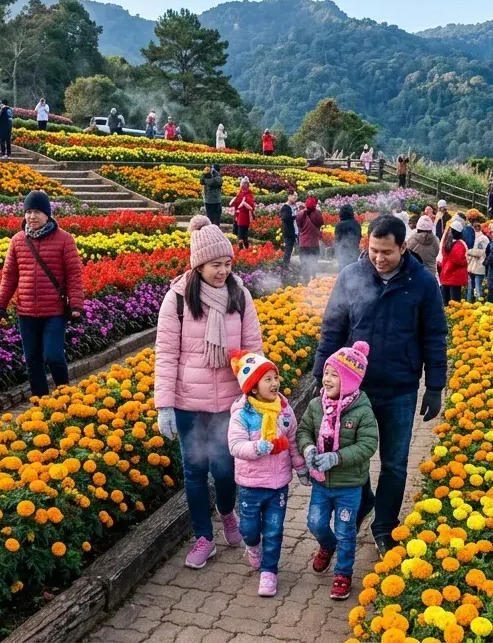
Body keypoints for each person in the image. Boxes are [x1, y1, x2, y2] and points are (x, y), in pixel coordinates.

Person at [313, 214, 447, 554]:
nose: (379, 258)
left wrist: (434, 385)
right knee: (355, 457)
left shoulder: (423, 283)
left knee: (395, 462)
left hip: (400, 388)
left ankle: (385, 526)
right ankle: (365, 499)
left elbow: (434, 335)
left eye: (387, 252)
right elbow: (332, 329)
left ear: (403, 247)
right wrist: (321, 376)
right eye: (373, 250)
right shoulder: (351, 276)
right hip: (355, 392)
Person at [153, 216, 264, 569]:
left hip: (229, 403)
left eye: (227, 263)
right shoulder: (177, 300)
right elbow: (166, 354)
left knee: (226, 469)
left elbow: (252, 351)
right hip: (188, 402)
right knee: (194, 470)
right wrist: (164, 406)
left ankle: (227, 512)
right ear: (198, 264)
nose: (222, 271)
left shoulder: (240, 296)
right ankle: (203, 537)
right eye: (216, 265)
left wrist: (259, 395)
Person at [300, 341, 379, 601]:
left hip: (349, 485)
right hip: (321, 483)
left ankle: (343, 573)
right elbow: (303, 432)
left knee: (346, 531)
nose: (328, 379)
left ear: (349, 380)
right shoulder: (315, 406)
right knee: (315, 522)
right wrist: (309, 448)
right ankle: (327, 544)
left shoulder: (362, 411)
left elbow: (367, 445)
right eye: (326, 373)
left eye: (335, 375)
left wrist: (337, 457)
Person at [0, 190, 86, 398]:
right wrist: (0, 306)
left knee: (53, 356)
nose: (32, 217)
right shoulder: (17, 241)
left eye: (37, 212)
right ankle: (41, 404)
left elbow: (74, 274)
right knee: (32, 360)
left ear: (48, 215)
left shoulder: (64, 240)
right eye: (28, 212)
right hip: (26, 311)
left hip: (54, 310)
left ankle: (65, 396)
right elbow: (9, 277)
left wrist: (77, 305)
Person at [227, 349, 305, 597]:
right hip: (250, 484)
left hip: (278, 483)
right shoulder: (242, 414)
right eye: (267, 379)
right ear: (252, 387)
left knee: (274, 529)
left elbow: (292, 439)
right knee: (249, 529)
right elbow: (235, 446)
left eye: (275, 377)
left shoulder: (284, 410)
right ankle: (253, 547)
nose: (275, 383)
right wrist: (256, 448)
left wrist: (300, 467)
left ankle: (269, 572)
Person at [438, 215, 468, 305]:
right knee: (455, 301)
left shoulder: (446, 243)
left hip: (446, 272)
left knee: (446, 301)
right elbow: (459, 260)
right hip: (455, 275)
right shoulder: (459, 244)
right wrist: (465, 262)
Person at [296, 196, 324, 281]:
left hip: (303, 244)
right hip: (314, 243)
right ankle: (313, 279)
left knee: (304, 263)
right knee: (313, 262)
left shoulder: (301, 214)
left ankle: (306, 281)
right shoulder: (318, 214)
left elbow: (299, 225)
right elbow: (321, 224)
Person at [228, 177, 256, 249]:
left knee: (242, 237)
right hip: (238, 217)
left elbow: (251, 207)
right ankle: (244, 250)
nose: (242, 185)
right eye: (242, 183)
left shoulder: (249, 195)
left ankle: (244, 250)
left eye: (244, 183)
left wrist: (244, 203)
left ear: (247, 185)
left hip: (244, 219)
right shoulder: (240, 193)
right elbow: (233, 203)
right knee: (239, 235)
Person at [466, 213, 489, 301]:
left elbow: (479, 252)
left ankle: (477, 304)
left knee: (477, 288)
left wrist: (468, 251)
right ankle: (470, 303)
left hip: (479, 267)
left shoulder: (482, 238)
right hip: (474, 266)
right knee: (471, 287)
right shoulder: (479, 237)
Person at [333, 205, 362, 271]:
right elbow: (359, 237)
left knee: (343, 272)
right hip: (354, 252)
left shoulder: (340, 225)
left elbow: (337, 240)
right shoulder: (356, 224)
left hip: (343, 253)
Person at [279, 192, 298, 265]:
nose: (296, 197)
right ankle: (285, 267)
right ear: (289, 196)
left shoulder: (292, 206)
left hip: (294, 231)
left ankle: (287, 265)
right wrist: (296, 216)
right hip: (289, 232)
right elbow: (285, 218)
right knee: (288, 250)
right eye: (294, 195)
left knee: (291, 250)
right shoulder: (285, 207)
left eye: (297, 196)